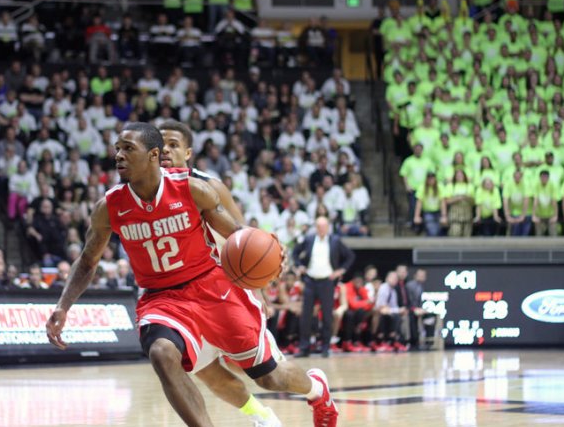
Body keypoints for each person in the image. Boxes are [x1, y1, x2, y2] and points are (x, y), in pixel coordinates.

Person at [46, 123, 339, 427]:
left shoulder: (193, 188)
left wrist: (268, 255)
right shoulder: (109, 207)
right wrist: (63, 306)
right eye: (117, 149)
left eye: (128, 149)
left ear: (153, 155)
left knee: (269, 377)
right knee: (162, 353)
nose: (118, 155)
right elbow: (86, 261)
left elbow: (238, 235)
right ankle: (253, 418)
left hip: (212, 287)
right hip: (162, 299)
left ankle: (317, 390)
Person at [158, 120, 283, 426]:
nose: (165, 151)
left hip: (222, 288)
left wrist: (258, 289)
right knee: (209, 375)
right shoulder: (139, 189)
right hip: (177, 298)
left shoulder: (209, 186)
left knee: (257, 370)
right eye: (160, 145)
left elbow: (244, 238)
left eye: (173, 145)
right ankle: (261, 415)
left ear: (188, 152)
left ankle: (308, 387)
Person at [292, 216, 356, 358]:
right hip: (310, 281)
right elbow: (295, 253)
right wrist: (299, 266)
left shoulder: (335, 240)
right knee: (306, 316)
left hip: (327, 282)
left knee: (327, 316)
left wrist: (341, 270)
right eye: (319, 226)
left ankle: (325, 347)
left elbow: (350, 256)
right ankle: (304, 348)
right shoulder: (309, 239)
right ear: (316, 227)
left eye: (324, 226)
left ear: (328, 227)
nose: (321, 229)